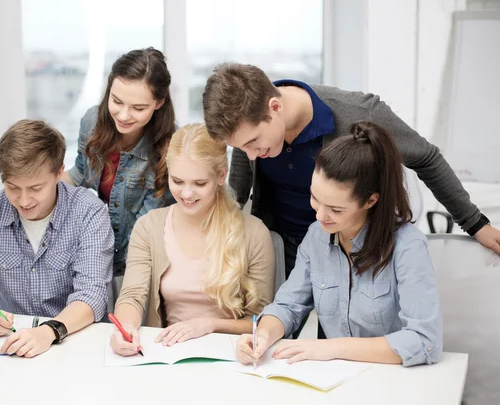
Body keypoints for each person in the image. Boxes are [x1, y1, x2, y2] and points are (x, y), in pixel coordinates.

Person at [202, 62, 500, 278]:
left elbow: (426, 158)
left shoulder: (359, 114)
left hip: (354, 253)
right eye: (241, 148)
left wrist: (475, 224)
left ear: (275, 108)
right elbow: (239, 189)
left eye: (254, 142)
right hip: (285, 249)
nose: (253, 154)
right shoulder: (250, 132)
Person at [235, 121, 442, 367]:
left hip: (390, 381)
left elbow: (423, 341)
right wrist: (263, 336)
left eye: (335, 209)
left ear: (370, 201)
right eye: (314, 198)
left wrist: (332, 348)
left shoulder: (407, 247)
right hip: (333, 381)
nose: (320, 215)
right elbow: (288, 306)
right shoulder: (316, 236)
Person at [0, 120, 114, 358]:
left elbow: (91, 296)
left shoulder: (88, 212)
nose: (24, 201)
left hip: (75, 343)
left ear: (59, 173)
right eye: (13, 187)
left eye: (35, 188)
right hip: (13, 345)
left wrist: (49, 332)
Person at [109, 123, 275, 356]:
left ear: (221, 176)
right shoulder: (149, 227)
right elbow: (132, 296)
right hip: (168, 354)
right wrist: (125, 328)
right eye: (177, 181)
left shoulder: (254, 233)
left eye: (199, 184)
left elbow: (261, 320)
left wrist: (208, 325)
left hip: (231, 357)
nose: (186, 194)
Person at [62, 47, 176, 278]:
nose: (123, 115)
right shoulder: (92, 122)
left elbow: (144, 230)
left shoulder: (172, 147)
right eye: (117, 101)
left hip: (143, 261)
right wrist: (32, 188)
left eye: (138, 108)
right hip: (98, 252)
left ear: (159, 102)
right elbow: (80, 175)